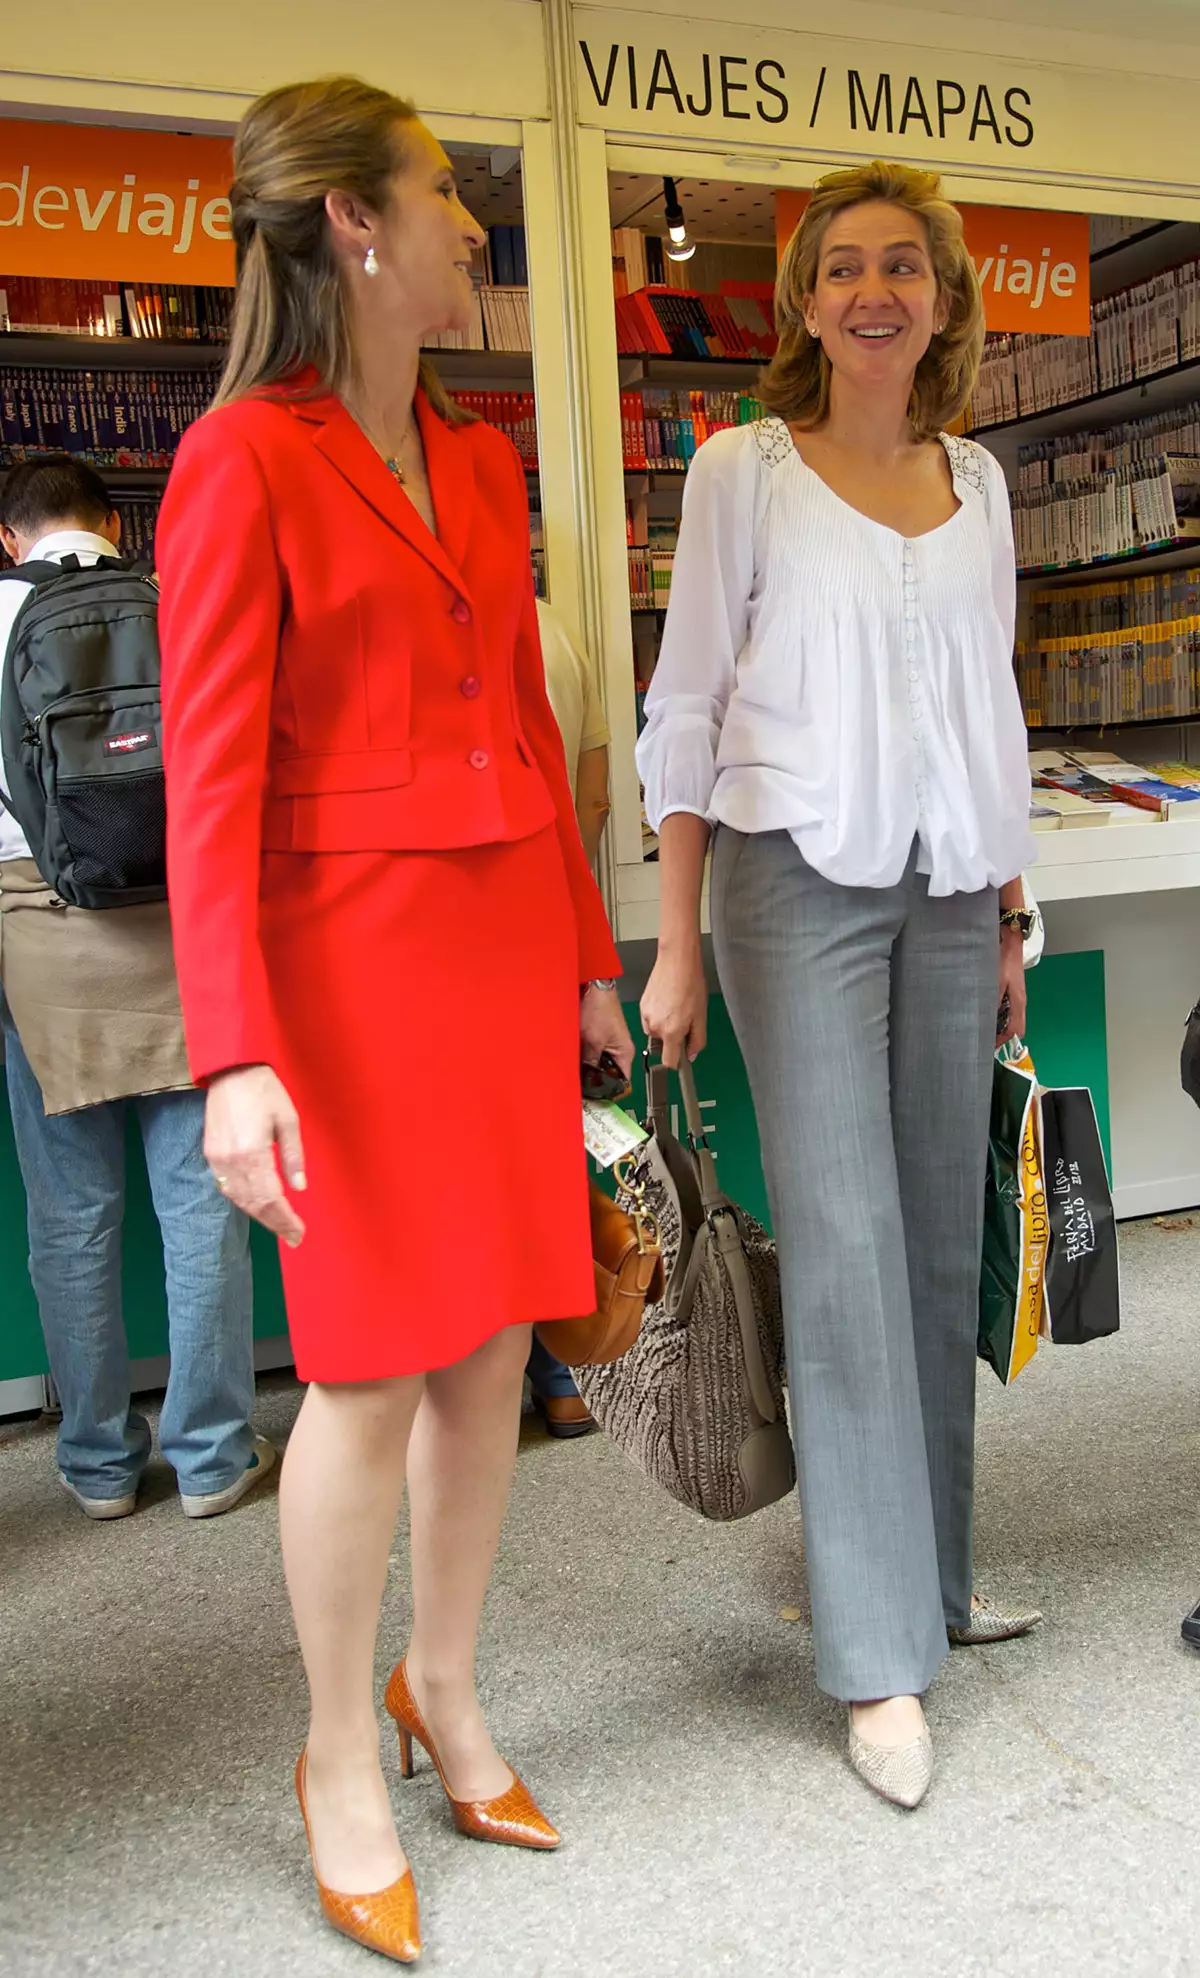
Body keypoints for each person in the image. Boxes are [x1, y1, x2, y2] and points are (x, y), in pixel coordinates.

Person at [154, 76, 631, 1966]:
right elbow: (204, 784)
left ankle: (443, 1679)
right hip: (339, 975)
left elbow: (521, 716)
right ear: (354, 224)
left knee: (493, 1343)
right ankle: (340, 1749)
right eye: (444, 194)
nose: (470, 225)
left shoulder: (490, 452)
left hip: (501, 941)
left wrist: (590, 953)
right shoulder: (239, 461)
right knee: (361, 1367)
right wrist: (233, 1050)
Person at [637, 160, 1041, 1814]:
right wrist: (672, 940)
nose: (875, 290)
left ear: (942, 297)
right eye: (844, 267)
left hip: (954, 889)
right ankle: (876, 1651)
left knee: (939, 1233)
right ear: (805, 304)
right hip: (793, 887)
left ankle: (930, 1576)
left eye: (905, 265)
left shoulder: (987, 481)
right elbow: (682, 707)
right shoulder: (742, 471)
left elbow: (986, 699)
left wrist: (1014, 906)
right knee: (854, 1246)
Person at [0, 457, 268, 1521]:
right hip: (180, 929)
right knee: (202, 1198)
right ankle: (211, 1456)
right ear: (113, 523)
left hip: (36, 932)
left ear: (8, 537)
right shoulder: (174, 602)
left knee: (71, 1210)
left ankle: (101, 1461)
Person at [527, 597, 612, 1438]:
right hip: (550, 918)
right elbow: (592, 802)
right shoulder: (561, 632)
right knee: (554, 1151)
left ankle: (469, 1372)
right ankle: (564, 1377)